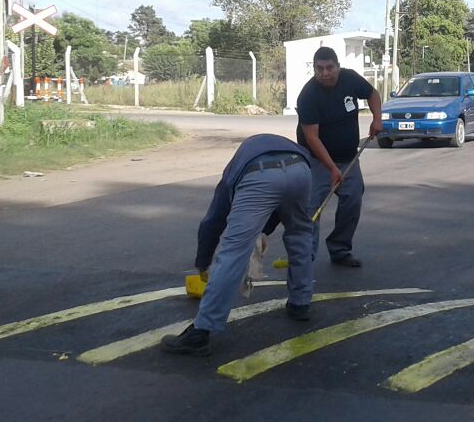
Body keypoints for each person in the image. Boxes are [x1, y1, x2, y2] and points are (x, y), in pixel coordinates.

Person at [162, 134, 315, 356]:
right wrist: (263, 231)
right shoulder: (276, 145)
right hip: (301, 169)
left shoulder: (233, 172)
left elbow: (213, 221)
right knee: (300, 235)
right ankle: (300, 304)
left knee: (233, 252)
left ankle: (200, 333)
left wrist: (203, 263)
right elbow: (279, 210)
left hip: (260, 174)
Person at [295, 46, 382, 267]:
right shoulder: (308, 96)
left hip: (348, 157)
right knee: (312, 207)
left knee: (352, 200)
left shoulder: (350, 79)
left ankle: (340, 249)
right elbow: (312, 138)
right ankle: (306, 256)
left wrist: (377, 119)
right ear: (314, 69)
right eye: (319, 68)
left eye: (329, 67)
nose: (325, 73)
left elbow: (373, 94)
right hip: (316, 160)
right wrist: (332, 168)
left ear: (338, 67)